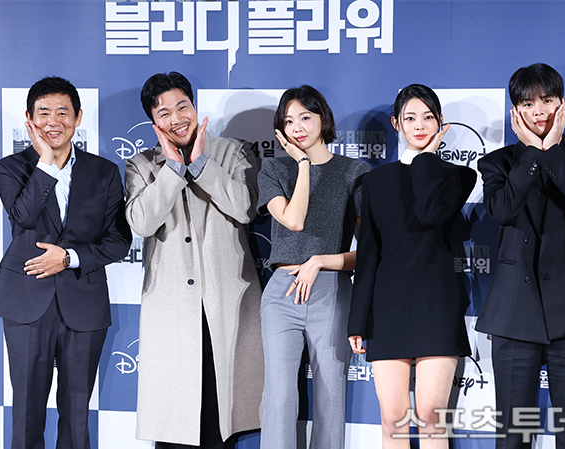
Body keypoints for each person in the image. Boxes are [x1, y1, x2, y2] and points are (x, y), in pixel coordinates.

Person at [476, 63, 565, 449]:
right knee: (514, 436)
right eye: (527, 103)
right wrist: (531, 154)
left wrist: (553, 152)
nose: (538, 111)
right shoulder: (497, 163)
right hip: (514, 313)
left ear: (562, 104)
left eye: (547, 100)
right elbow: (502, 210)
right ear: (515, 112)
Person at [0, 76, 132, 449]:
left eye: (63, 112)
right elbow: (24, 216)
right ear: (30, 119)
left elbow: (119, 241)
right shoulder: (9, 168)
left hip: (84, 302)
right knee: (26, 412)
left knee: (77, 413)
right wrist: (47, 163)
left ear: (78, 117)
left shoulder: (104, 171)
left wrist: (70, 258)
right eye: (44, 113)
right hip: (25, 301)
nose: (54, 121)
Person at [124, 72, 263, 449]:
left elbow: (245, 208)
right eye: (164, 113)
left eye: (182, 106)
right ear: (154, 122)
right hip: (172, 307)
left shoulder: (232, 152)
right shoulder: (141, 164)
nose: (176, 118)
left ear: (194, 106)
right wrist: (172, 170)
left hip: (227, 300)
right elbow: (141, 222)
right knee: (175, 422)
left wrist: (201, 164)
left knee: (221, 418)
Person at [348, 84, 475, 449]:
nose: (419, 126)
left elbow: (429, 213)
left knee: (431, 417)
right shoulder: (373, 182)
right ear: (396, 124)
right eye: (410, 118)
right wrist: (358, 321)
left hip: (436, 304)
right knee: (393, 420)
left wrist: (424, 159)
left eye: (428, 117)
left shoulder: (458, 176)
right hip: (387, 308)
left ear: (440, 123)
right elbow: (368, 253)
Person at [257, 85, 369, 449]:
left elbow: (369, 251)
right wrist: (303, 165)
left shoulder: (354, 171)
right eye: (289, 121)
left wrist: (320, 261)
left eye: (305, 117)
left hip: (332, 290)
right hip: (282, 290)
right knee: (278, 396)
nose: (297, 128)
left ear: (323, 119)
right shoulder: (274, 169)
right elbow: (294, 220)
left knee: (331, 393)